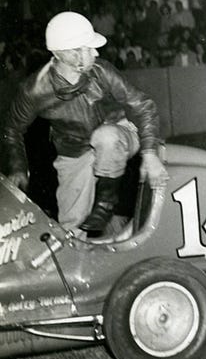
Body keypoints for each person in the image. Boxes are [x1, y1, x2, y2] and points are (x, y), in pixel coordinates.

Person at [2, 12, 169, 235]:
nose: (96, 52)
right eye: (89, 48)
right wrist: (18, 168)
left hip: (120, 132)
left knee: (106, 137)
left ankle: (106, 204)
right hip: (74, 148)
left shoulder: (102, 71)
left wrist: (150, 154)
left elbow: (142, 106)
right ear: (69, 55)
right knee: (71, 227)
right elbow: (13, 129)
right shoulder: (34, 90)